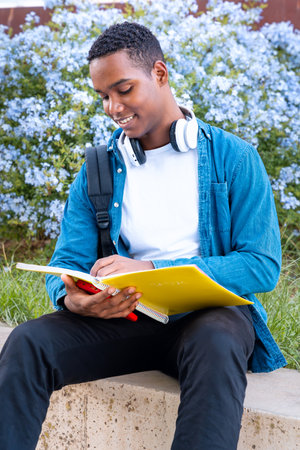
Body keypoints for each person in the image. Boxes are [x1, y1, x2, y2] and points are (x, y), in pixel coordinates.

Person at [0, 22, 286, 450]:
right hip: (127, 318)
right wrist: (72, 297)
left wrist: (152, 268)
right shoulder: (98, 168)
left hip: (210, 319)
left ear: (160, 74)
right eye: (104, 96)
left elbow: (261, 265)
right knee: (28, 343)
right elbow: (66, 263)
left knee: (217, 340)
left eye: (124, 89)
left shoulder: (234, 158)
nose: (113, 107)